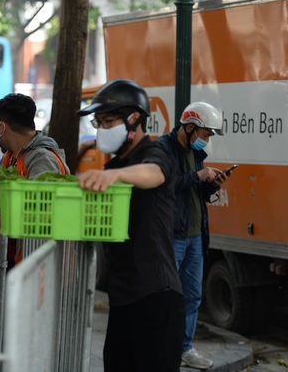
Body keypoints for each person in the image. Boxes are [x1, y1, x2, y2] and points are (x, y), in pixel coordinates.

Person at [76, 79, 185, 372]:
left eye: (108, 121)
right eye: (98, 122)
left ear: (134, 119)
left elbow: (155, 174)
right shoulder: (112, 166)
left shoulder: (156, 152)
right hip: (123, 297)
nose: (102, 129)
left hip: (155, 297)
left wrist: (116, 177)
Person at [156, 101, 230, 370]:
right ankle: (162, 349)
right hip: (172, 236)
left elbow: (194, 192)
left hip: (196, 236)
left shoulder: (198, 154)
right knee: (166, 296)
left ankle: (185, 348)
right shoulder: (162, 149)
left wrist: (211, 186)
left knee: (192, 296)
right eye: (206, 134)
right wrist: (197, 176)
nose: (207, 140)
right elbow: (162, 185)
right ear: (189, 127)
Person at [0, 93, 70, 247]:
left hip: (35, 260)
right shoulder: (11, 157)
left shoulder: (42, 158)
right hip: (12, 257)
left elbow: (40, 202)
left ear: (2, 127)